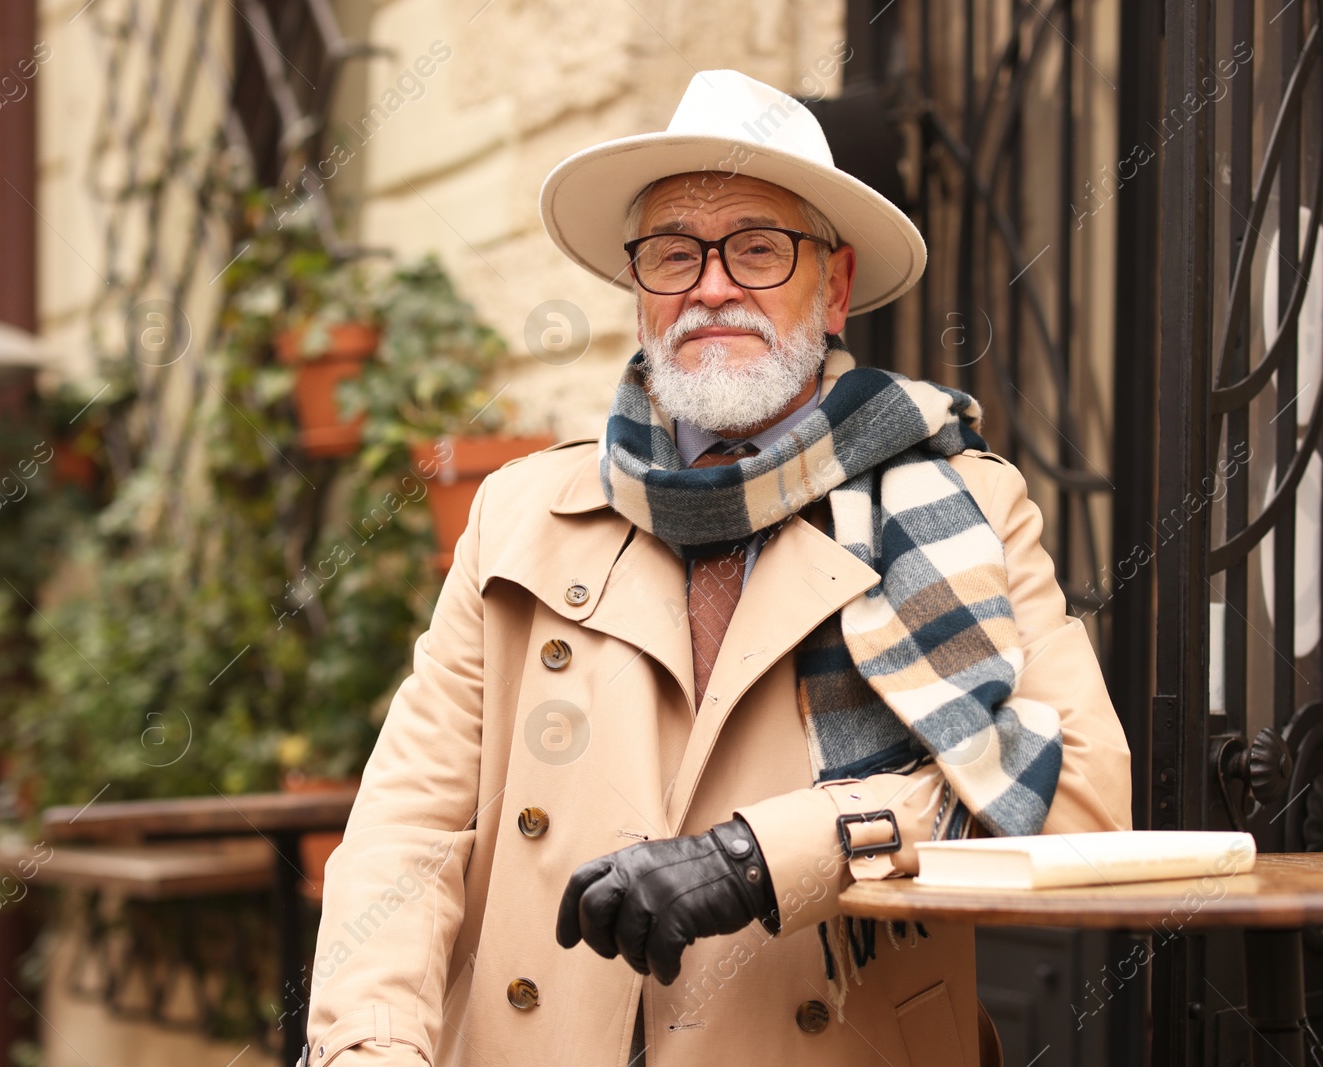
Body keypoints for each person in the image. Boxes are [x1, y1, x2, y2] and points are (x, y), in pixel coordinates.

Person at [304, 69, 1130, 1067]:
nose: (711, 285)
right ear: (639, 292)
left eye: (757, 247)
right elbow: (409, 832)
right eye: (672, 254)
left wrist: (766, 857)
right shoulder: (521, 516)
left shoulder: (961, 506)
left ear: (831, 288)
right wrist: (369, 1046)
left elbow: (1084, 797)